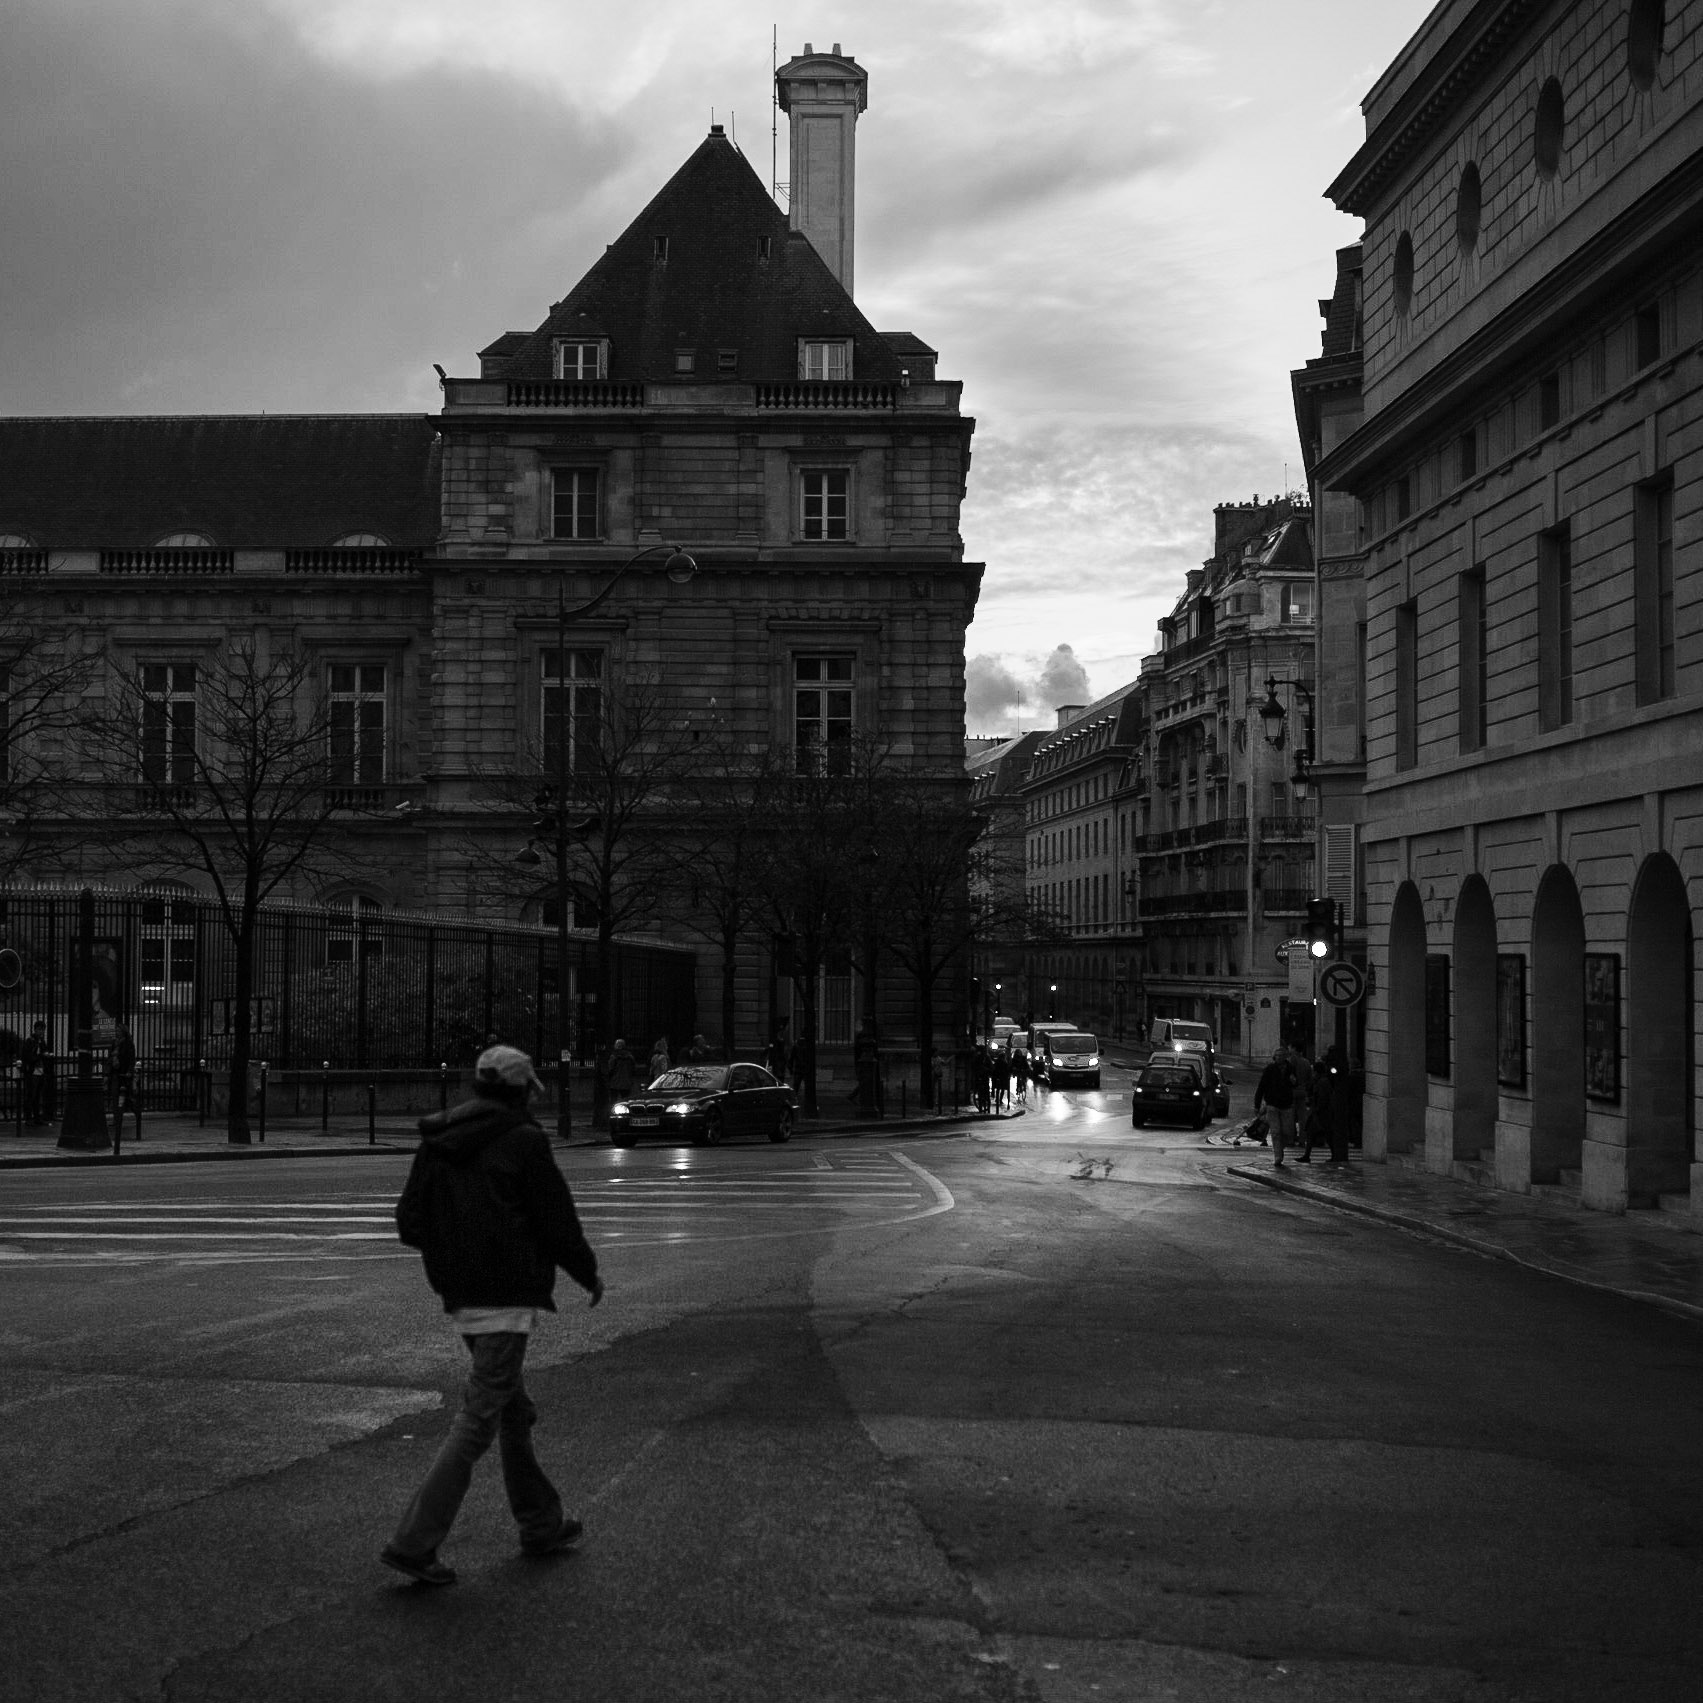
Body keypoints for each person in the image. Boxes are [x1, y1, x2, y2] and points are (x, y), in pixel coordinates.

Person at [385, 1044, 603, 1587]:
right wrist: (585, 1272)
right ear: (520, 1090)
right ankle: (414, 1543)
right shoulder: (524, 1140)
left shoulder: (438, 1138)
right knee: (480, 1417)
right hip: (507, 1294)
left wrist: (456, 1246)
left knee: (511, 1410)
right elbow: (557, 1219)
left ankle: (540, 1523)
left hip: (459, 1290)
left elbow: (410, 1221)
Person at [1253, 1046, 1299, 1167]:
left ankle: (1280, 1148)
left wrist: (1294, 1081)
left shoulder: (1290, 1068)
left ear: (1285, 1057)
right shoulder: (1270, 1069)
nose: (1279, 1058)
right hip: (1272, 1104)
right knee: (1275, 1131)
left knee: (1287, 1132)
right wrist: (1257, 1104)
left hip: (1286, 1104)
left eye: (1281, 1056)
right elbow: (1262, 1086)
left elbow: (1295, 1083)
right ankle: (1278, 1155)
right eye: (1277, 1056)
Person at [109, 1022, 137, 1124]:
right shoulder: (114, 1043)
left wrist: (129, 1071)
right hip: (115, 1072)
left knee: (125, 1096)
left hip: (124, 1073)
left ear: (123, 1032)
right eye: (116, 1030)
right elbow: (110, 1057)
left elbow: (131, 1059)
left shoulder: (128, 1044)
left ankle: (134, 1110)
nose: (117, 1032)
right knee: (115, 1095)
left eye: (118, 1030)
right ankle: (116, 1118)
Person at [21, 1021, 48, 1126]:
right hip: (32, 1071)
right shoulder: (30, 1041)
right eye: (39, 1029)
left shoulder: (41, 1042)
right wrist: (41, 1055)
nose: (41, 1032)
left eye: (42, 1030)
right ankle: (28, 1117)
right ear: (35, 1030)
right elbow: (28, 1056)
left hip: (40, 1071)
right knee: (31, 1095)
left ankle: (37, 1117)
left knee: (37, 1095)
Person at [989, 1044, 1010, 1113]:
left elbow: (994, 1069)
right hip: (1003, 1077)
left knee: (998, 1089)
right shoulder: (1005, 1063)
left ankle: (997, 1098)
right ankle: (1000, 1099)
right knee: (1002, 1089)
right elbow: (1007, 1070)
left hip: (997, 1077)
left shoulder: (997, 1062)